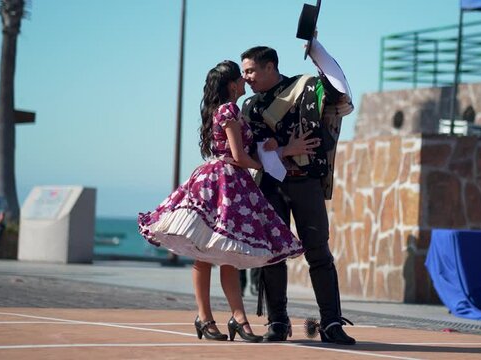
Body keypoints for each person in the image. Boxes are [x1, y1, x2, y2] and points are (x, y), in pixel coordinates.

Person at [138, 60, 316, 342]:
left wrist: (268, 148)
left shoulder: (221, 110)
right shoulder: (229, 109)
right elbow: (240, 156)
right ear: (233, 85)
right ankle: (209, 318)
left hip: (223, 179)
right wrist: (274, 159)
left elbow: (239, 151)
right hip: (225, 181)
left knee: (222, 252)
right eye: (241, 78)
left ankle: (234, 317)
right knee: (211, 253)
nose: (246, 81)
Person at [240, 38, 356, 345]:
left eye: (251, 71)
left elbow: (339, 88)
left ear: (270, 67)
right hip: (271, 186)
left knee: (318, 252)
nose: (246, 78)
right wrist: (287, 149)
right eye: (244, 72)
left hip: (306, 183)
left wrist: (316, 49)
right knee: (272, 254)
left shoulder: (306, 87)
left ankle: (331, 323)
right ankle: (277, 321)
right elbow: (257, 152)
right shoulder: (249, 106)